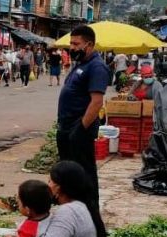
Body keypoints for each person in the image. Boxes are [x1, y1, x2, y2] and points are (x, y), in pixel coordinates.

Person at [56, 25, 109, 205]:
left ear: (89, 44)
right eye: (71, 43)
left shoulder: (97, 67)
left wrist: (80, 128)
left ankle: (90, 213)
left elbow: (96, 102)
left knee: (84, 174)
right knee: (68, 174)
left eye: (76, 44)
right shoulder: (81, 63)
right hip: (66, 128)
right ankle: (71, 210)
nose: (72, 47)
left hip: (79, 130)